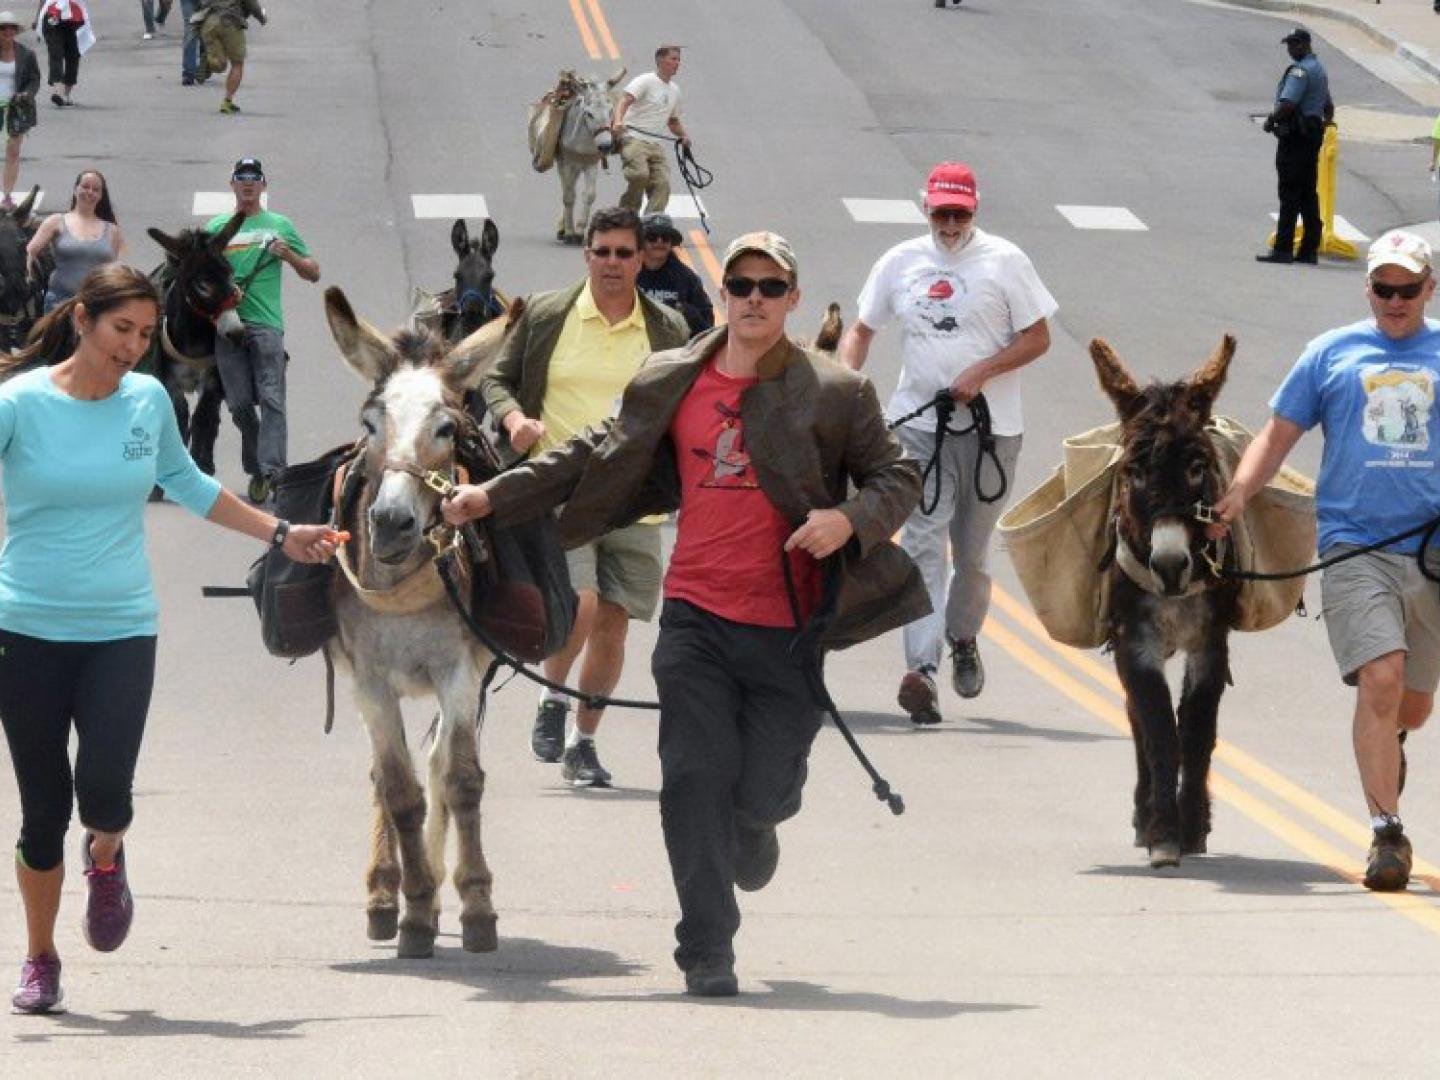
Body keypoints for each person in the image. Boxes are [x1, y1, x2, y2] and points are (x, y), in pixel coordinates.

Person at [445, 231, 926, 997]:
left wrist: (849, 520)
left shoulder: (834, 392)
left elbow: (898, 473)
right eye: (742, 285)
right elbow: (589, 451)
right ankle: (707, 946)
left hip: (788, 629)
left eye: (772, 287)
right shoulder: (673, 378)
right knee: (691, 779)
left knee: (761, 791)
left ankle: (756, 825)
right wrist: (492, 496)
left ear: (793, 298)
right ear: (724, 291)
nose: (755, 299)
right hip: (696, 620)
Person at [0, 264, 337, 1015]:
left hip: (121, 627)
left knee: (106, 798)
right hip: (25, 630)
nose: (134, 347)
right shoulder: (17, 405)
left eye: (146, 335)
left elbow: (189, 485)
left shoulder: (147, 401)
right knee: (42, 812)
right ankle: (40, 956)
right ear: (82, 319)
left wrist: (284, 531)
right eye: (123, 330)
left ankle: (108, 859)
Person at [1210, 229, 1440, 893]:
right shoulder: (1330, 354)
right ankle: (1386, 832)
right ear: (1368, 289)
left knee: (1414, 705)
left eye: (1407, 289)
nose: (1394, 301)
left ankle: (1388, 742)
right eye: (1383, 288)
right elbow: (1278, 435)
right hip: (1353, 545)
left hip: (1430, 554)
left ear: (1429, 288)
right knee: (1380, 676)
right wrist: (1236, 495)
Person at [838, 161, 1056, 724]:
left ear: (975, 209)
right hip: (918, 427)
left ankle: (963, 637)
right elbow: (861, 330)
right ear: (926, 208)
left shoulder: (1005, 261)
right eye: (941, 212)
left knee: (973, 554)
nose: (950, 222)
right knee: (922, 544)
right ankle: (922, 670)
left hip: (991, 432)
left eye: (959, 213)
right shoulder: (900, 262)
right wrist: (844, 388)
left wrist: (984, 370)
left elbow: (1039, 337)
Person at [478, 205, 687, 787]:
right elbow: (496, 379)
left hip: (638, 500)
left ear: (642, 257)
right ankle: (552, 698)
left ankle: (583, 742)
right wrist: (515, 417)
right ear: (587, 255)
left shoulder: (667, 329)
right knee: (582, 603)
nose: (614, 263)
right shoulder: (549, 314)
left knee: (615, 627)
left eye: (626, 252)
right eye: (603, 251)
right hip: (560, 494)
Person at [204, 157, 319, 505]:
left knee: (272, 400)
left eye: (255, 178)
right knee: (239, 404)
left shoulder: (280, 225)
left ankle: (274, 473)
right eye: (242, 178)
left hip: (267, 325)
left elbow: (313, 272)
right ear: (233, 185)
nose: (248, 183)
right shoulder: (217, 228)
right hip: (228, 326)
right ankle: (257, 463)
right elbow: (200, 277)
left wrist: (289, 256)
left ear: (264, 186)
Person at [1256, 28, 1333, 266]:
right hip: (1310, 138)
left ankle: (1283, 248)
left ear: (1303, 45)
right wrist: (1320, 128)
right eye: (1289, 44)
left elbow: (1288, 103)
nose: (1290, 49)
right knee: (1308, 194)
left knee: (1290, 193)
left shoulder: (1300, 71)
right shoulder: (1318, 69)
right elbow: (1328, 107)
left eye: (1293, 44)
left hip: (1296, 140)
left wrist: (1271, 121)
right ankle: (1309, 249)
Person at [25, 169, 125, 312]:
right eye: (85, 186)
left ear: (101, 196)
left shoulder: (112, 230)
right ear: (75, 189)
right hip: (59, 302)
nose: (89, 192)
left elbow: (115, 269)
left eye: (95, 189)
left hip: (99, 304)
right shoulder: (56, 221)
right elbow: (29, 252)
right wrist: (29, 278)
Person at [611, 45, 690, 214]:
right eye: (673, 59)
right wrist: (617, 121)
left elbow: (673, 121)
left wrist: (684, 136)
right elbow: (624, 101)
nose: (678, 63)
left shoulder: (675, 90)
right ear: (661, 60)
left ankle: (651, 223)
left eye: (678, 59)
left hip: (656, 144)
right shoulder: (645, 80)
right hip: (633, 138)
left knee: (662, 184)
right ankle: (626, 215)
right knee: (639, 175)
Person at [636, 212, 713, 338]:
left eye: (665, 237)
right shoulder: (627, 274)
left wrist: (686, 312)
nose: (659, 241)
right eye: (652, 237)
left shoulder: (687, 278)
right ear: (640, 242)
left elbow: (707, 327)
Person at [194, 0, 265, 114]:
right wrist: (261, 17)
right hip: (230, 22)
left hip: (208, 22)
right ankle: (227, 102)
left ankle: (209, 60)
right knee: (237, 64)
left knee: (220, 64)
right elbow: (252, 4)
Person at [0, 11, 39, 208]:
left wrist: (27, 94)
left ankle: (7, 195)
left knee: (13, 152)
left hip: (15, 108)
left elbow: (34, 79)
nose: (7, 31)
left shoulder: (26, 54)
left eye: (11, 28)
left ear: (15, 31)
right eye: (2, 28)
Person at [35, 0, 88, 108]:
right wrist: (37, 19)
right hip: (52, 14)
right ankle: (58, 91)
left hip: (72, 18)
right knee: (56, 53)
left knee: (73, 55)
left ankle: (66, 94)